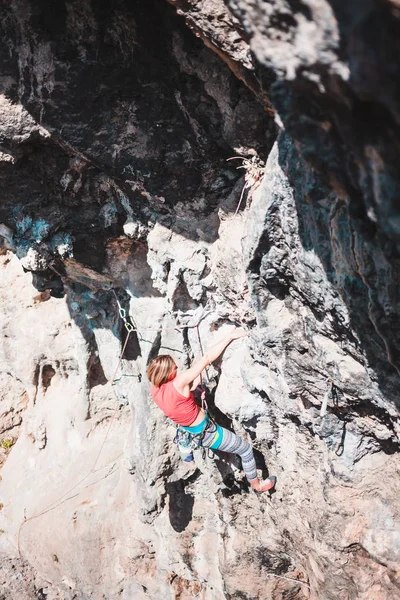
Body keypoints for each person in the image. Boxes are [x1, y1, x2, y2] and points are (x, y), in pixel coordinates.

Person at [147, 326, 276, 493]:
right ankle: (257, 485)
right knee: (245, 449)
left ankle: (186, 449)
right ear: (166, 373)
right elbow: (207, 358)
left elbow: (175, 400)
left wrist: (190, 390)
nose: (177, 367)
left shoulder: (155, 389)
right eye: (174, 368)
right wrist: (230, 336)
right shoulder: (179, 383)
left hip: (190, 430)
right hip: (209, 434)